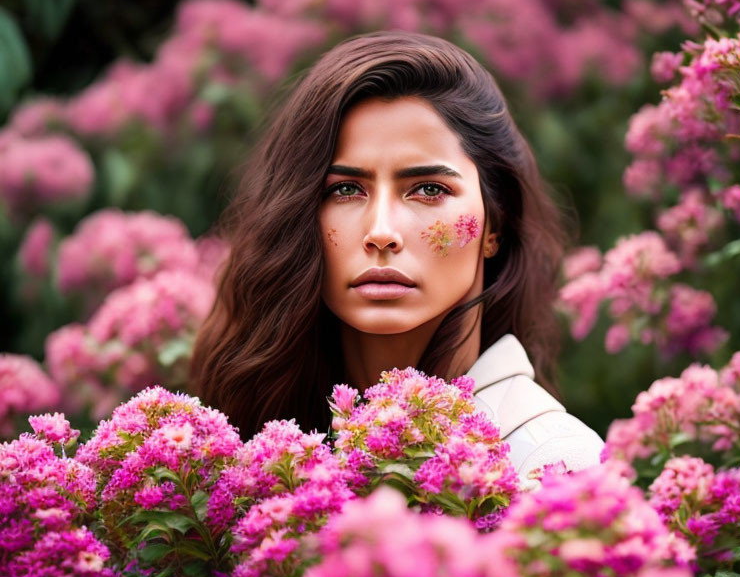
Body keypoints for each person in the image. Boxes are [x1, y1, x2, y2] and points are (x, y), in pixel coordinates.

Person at [190, 30, 603, 486]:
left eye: (429, 190)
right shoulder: (253, 464)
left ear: (495, 223)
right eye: (345, 189)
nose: (381, 232)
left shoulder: (557, 468)